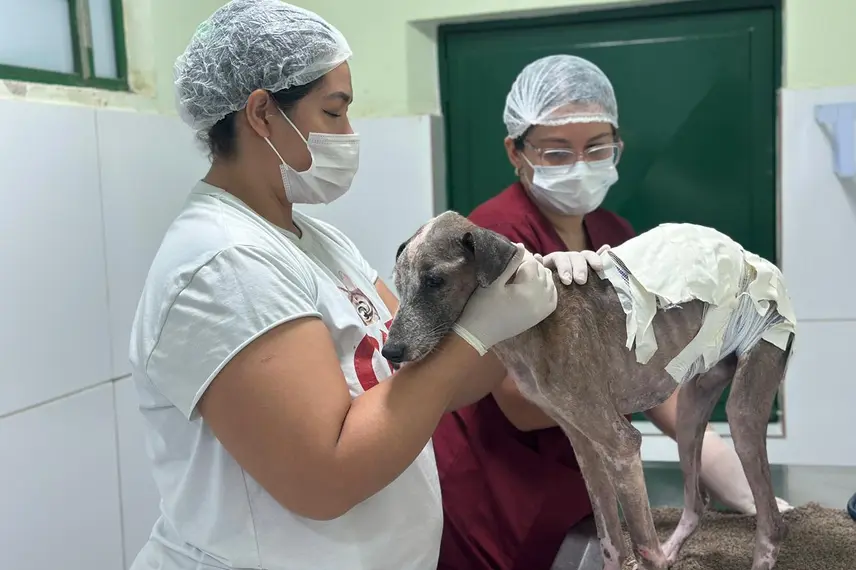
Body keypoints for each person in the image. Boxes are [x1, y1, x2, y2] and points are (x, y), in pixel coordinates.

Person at [126, 3, 604, 570]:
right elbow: (324, 478)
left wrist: (520, 308)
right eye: (334, 111)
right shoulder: (225, 263)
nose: (349, 134)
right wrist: (477, 334)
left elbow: (432, 380)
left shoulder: (318, 241)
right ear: (260, 114)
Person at [433, 54, 792, 570]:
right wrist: (618, 387)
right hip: (503, 489)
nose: (581, 165)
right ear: (516, 150)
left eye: (597, 147)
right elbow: (521, 397)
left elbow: (650, 360)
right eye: (557, 151)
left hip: (584, 483)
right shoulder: (497, 241)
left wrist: (715, 459)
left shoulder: (616, 235)